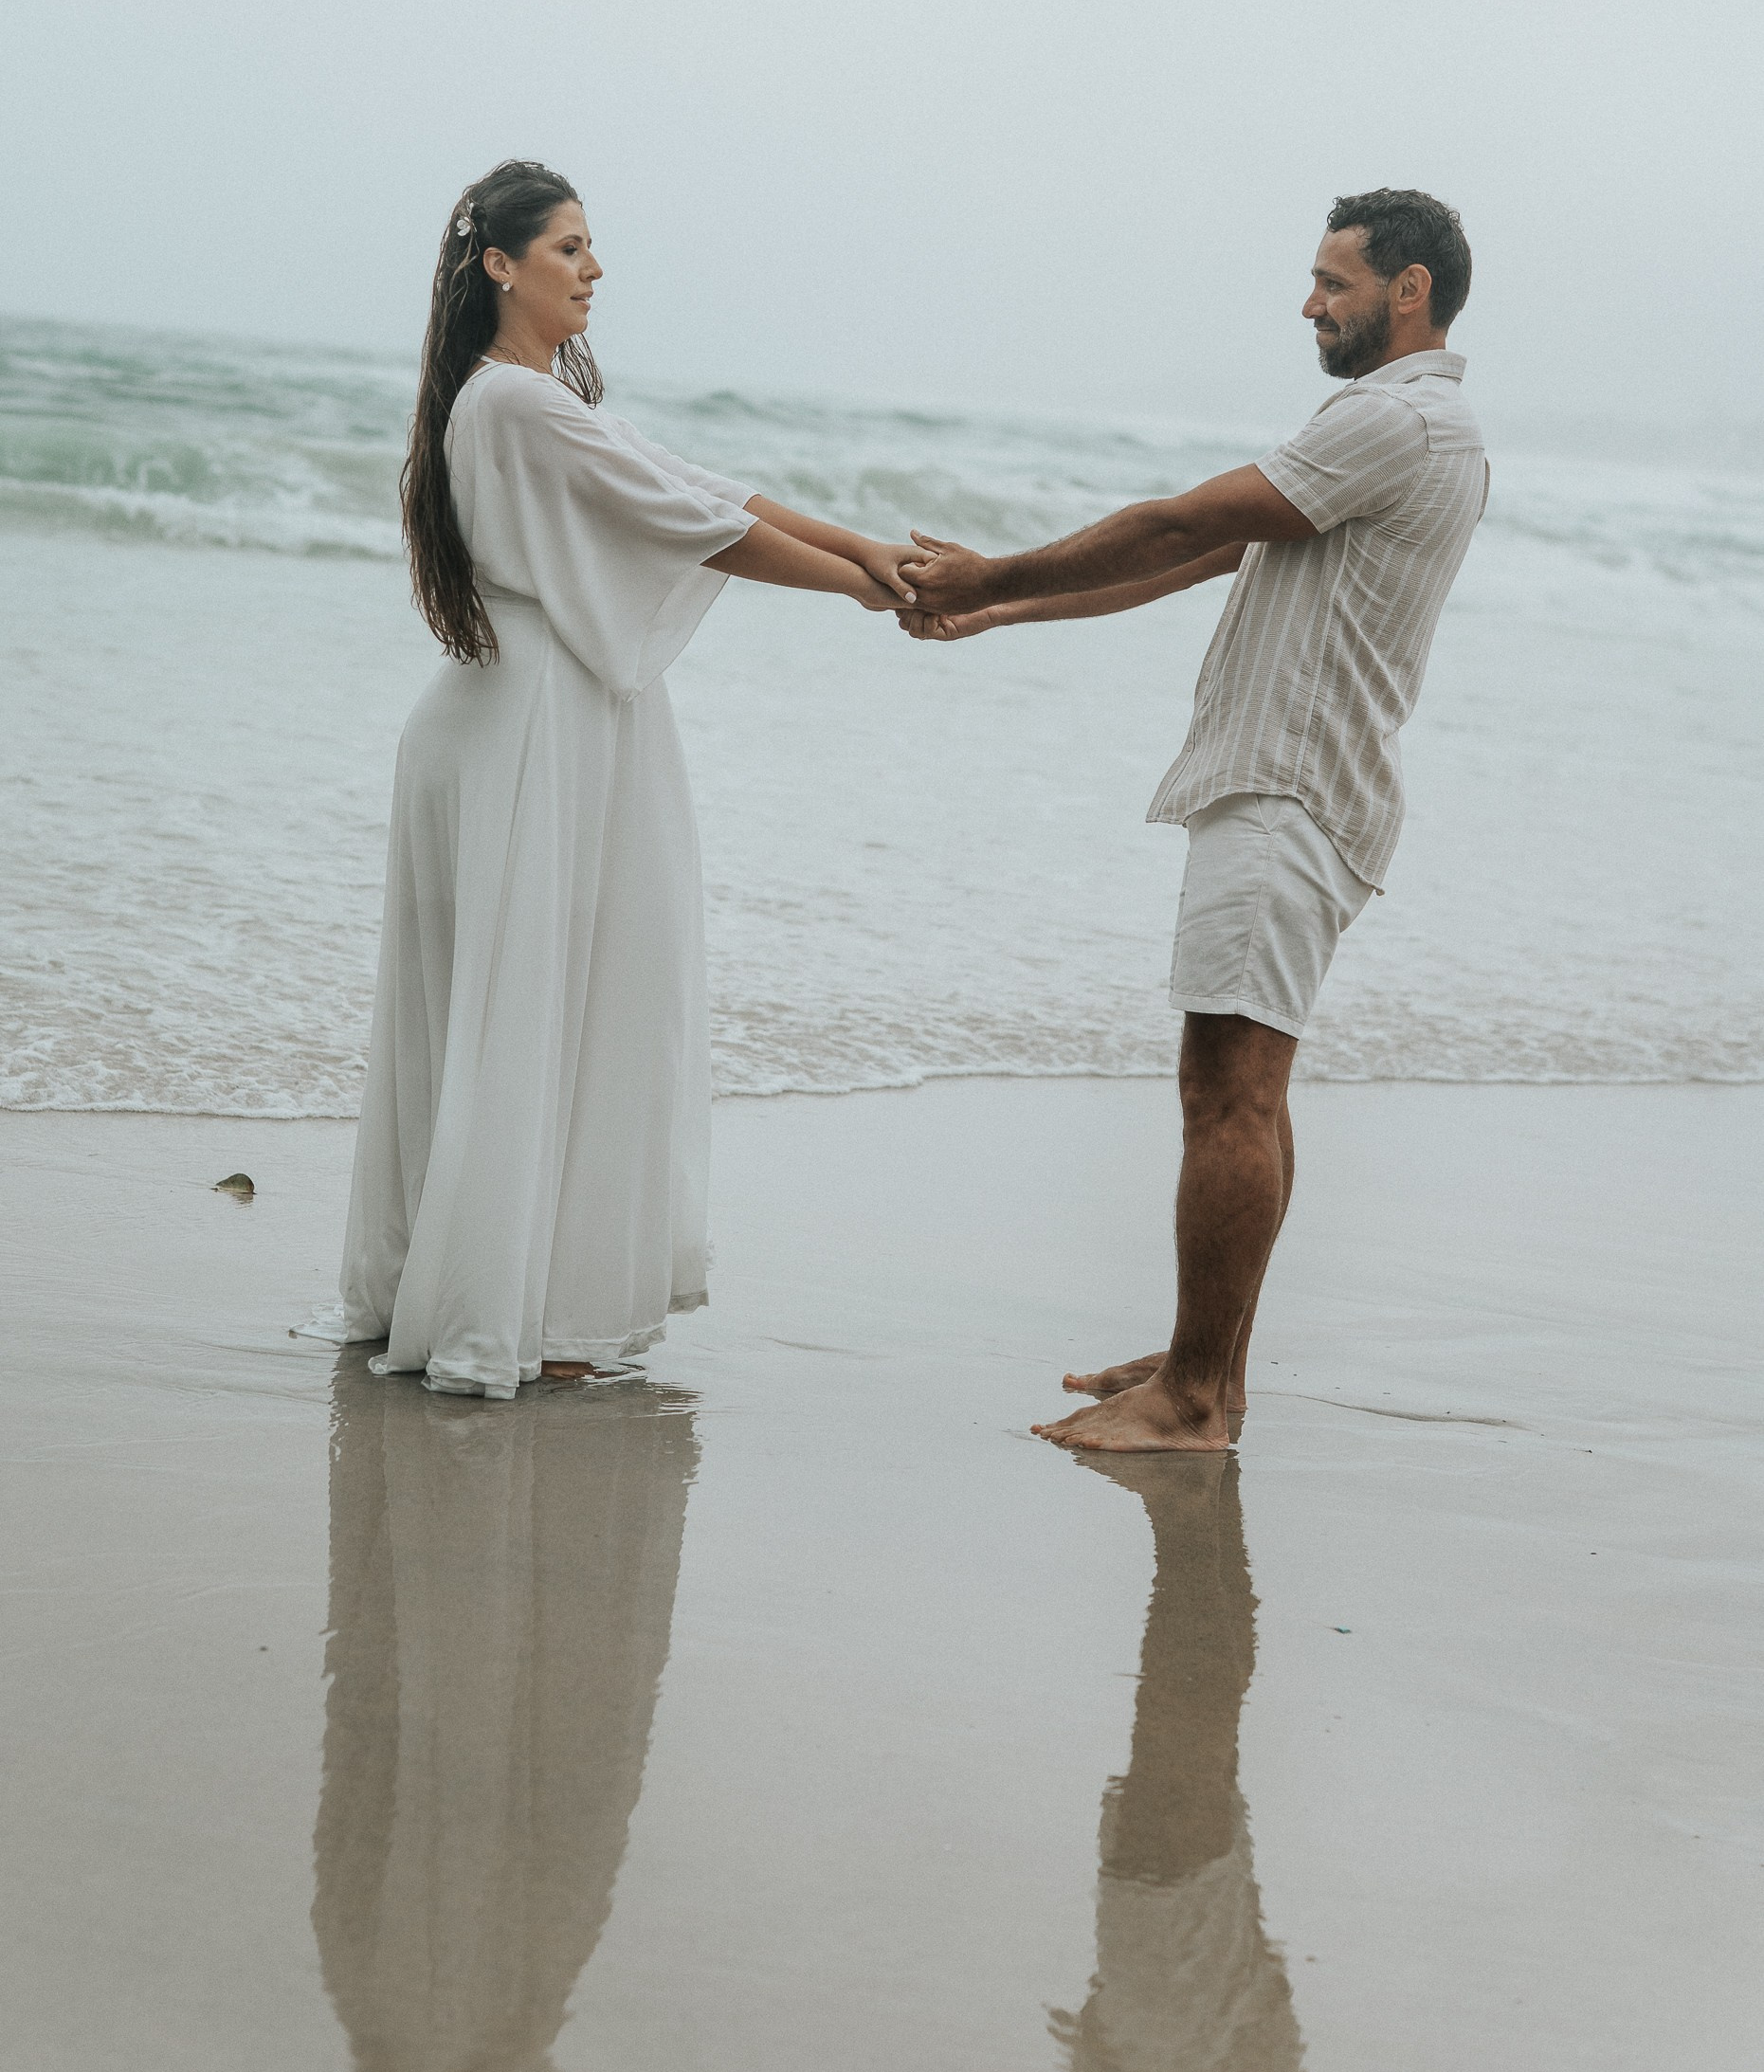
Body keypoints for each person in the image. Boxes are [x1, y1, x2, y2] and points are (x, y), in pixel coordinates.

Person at [302, 159, 911, 1399]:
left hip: (504, 716)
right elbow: (698, 523)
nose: (592, 270)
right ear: (499, 266)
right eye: (569, 248)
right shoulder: (515, 405)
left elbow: (695, 489)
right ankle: (512, 1313)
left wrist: (868, 550)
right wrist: (865, 587)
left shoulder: (507, 398)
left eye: (591, 249)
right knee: (549, 1010)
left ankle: (457, 1285)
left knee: (497, 1014)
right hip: (535, 725)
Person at [900, 191, 1487, 1453]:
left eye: (1332, 279)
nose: (1308, 301)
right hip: (1300, 790)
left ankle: (1195, 1400)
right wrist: (1005, 615)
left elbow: (1184, 519)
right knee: (1238, 1090)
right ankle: (1202, 1360)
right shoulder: (1419, 428)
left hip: (1287, 792)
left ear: (1410, 291)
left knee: (1229, 1094)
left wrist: (988, 572)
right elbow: (1218, 557)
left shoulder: (1394, 418)